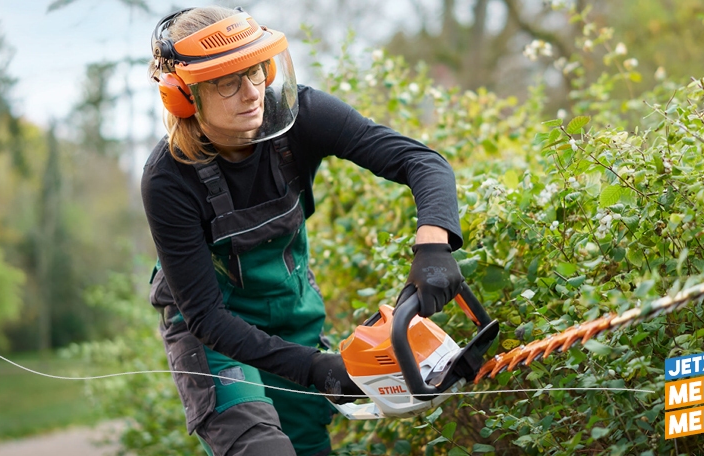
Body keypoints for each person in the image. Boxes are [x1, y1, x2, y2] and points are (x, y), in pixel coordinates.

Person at [141, 6, 464, 456]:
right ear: (183, 96)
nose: (251, 93)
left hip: (290, 312)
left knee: (308, 445)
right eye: (226, 82)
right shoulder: (168, 180)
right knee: (260, 448)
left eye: (255, 73)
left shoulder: (303, 116)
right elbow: (207, 318)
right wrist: (313, 367)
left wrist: (434, 245)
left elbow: (421, 161)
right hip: (211, 332)